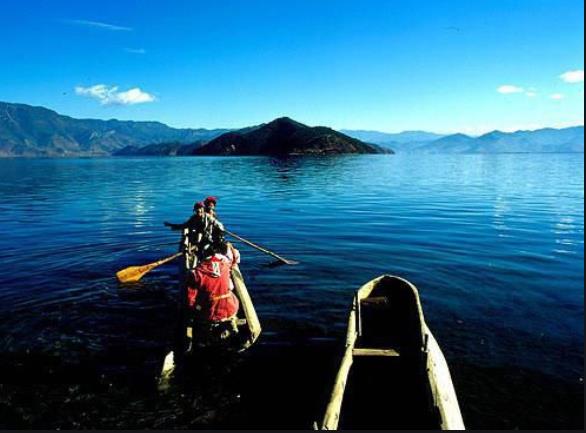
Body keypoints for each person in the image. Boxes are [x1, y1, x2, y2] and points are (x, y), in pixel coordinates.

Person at [185, 241, 241, 348]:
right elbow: (234, 258)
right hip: (231, 307)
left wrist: (196, 308)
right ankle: (232, 324)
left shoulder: (196, 273)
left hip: (211, 313)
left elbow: (190, 300)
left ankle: (205, 337)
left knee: (198, 307)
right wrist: (230, 246)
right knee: (230, 292)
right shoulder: (225, 264)